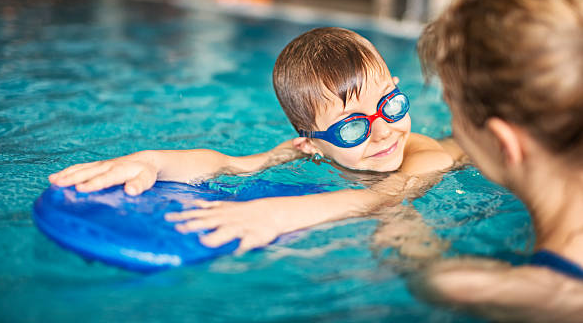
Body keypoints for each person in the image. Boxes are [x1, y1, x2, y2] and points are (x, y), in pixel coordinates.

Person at [50, 27, 466, 253]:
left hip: (464, 158)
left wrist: (280, 215)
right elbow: (233, 163)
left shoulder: (426, 155)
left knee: (401, 240)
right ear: (311, 143)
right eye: (352, 127)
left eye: (390, 105)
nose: (383, 130)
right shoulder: (309, 152)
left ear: (396, 88)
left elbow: (384, 198)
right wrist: (152, 160)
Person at [414, 0, 583, 322]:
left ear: (504, 142)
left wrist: (396, 222)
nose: (454, 129)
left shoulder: (477, 288)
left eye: (452, 111)